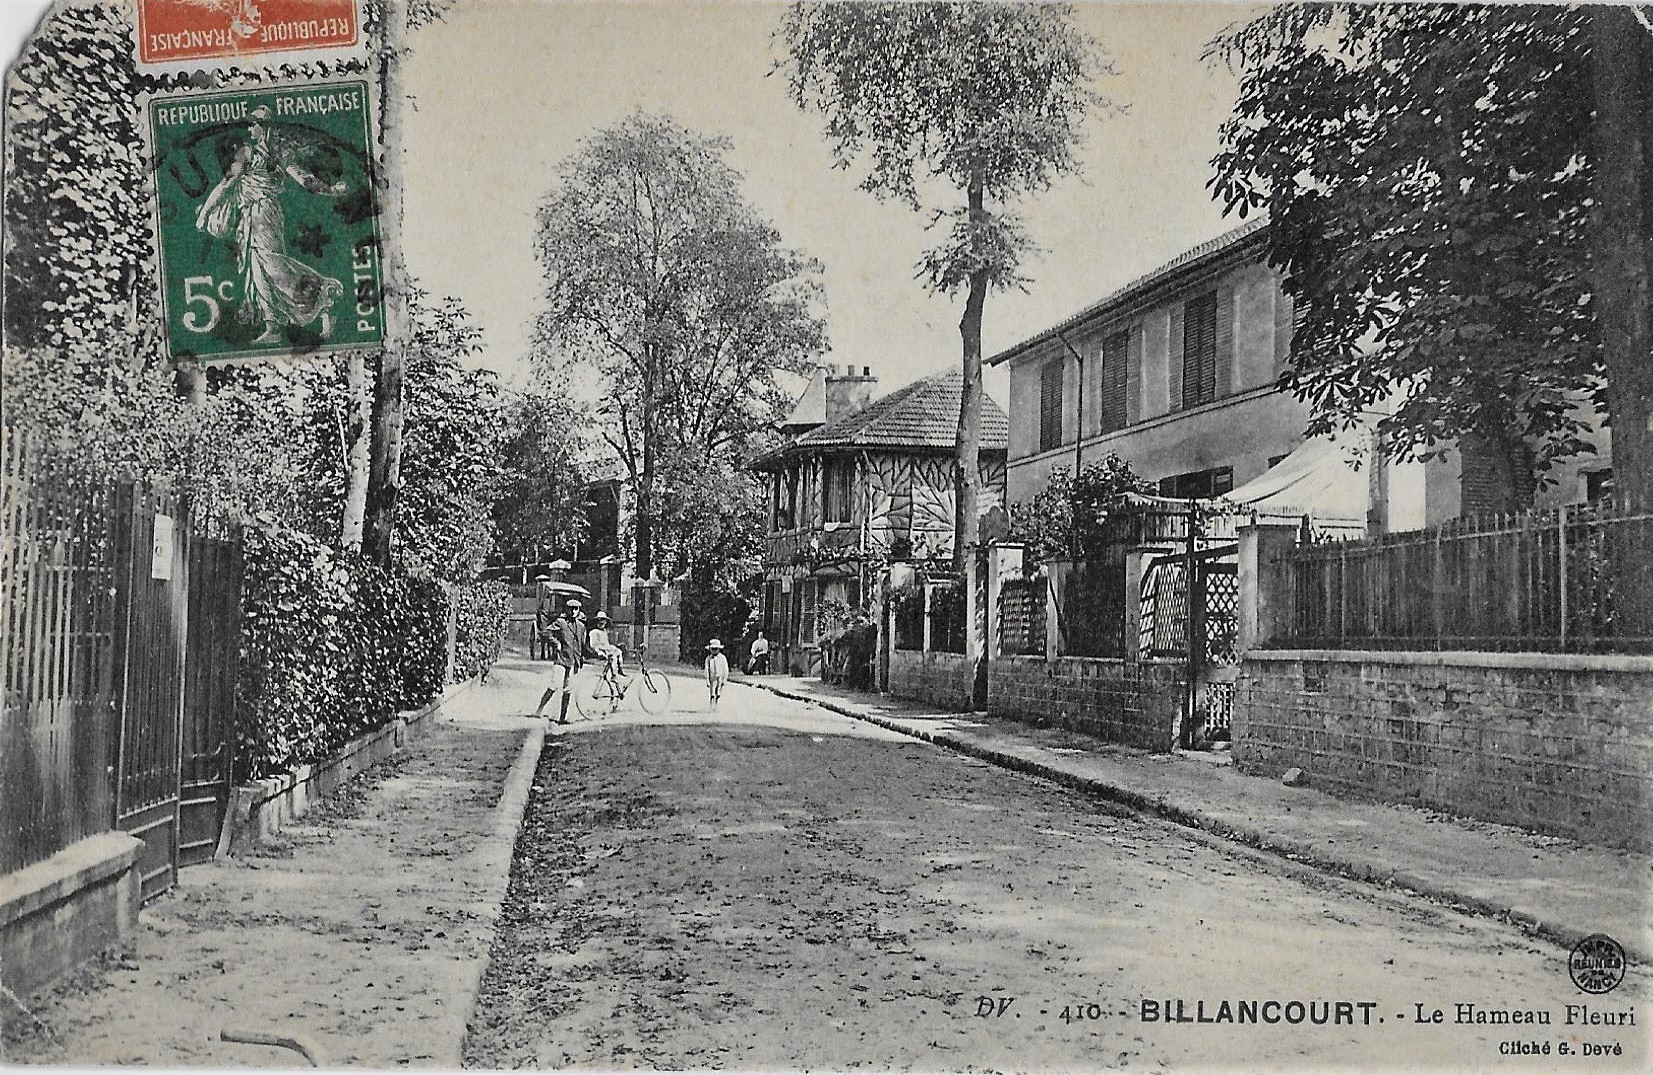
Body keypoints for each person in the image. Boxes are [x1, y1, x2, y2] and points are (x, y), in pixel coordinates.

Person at [195, 106, 347, 345]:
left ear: (264, 126)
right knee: (258, 271)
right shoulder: (247, 154)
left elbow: (303, 179)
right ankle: (273, 325)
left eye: (253, 123)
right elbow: (225, 184)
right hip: (249, 216)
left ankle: (325, 297)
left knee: (274, 266)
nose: (249, 128)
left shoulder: (276, 154)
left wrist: (330, 191)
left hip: (265, 212)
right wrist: (205, 213)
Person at [534, 598, 595, 724]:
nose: (573, 611)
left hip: (574, 662)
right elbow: (546, 632)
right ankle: (539, 710)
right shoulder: (561, 622)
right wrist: (557, 644)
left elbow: (582, 645)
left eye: (576, 609)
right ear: (566, 609)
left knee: (568, 689)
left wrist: (588, 655)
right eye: (571, 608)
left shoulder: (581, 626)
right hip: (561, 659)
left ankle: (562, 718)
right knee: (554, 685)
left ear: (579, 610)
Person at [587, 611, 626, 681]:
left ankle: (620, 669)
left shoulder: (604, 631)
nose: (601, 622)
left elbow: (606, 643)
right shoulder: (594, 632)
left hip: (607, 648)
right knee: (612, 658)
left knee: (619, 652)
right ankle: (614, 675)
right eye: (599, 620)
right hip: (601, 650)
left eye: (603, 620)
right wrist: (599, 652)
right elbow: (593, 645)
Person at [704, 638, 729, 711]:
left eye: (716, 649)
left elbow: (725, 668)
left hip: (720, 677)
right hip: (712, 678)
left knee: (718, 692)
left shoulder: (722, 658)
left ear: (719, 649)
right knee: (712, 693)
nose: (714, 651)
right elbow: (706, 669)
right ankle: (711, 706)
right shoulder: (708, 659)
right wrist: (707, 680)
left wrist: (725, 679)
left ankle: (716, 705)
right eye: (712, 649)